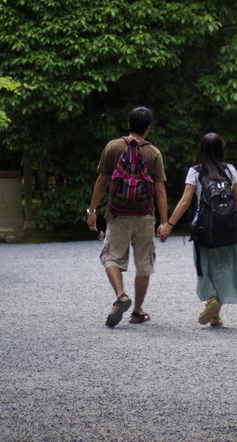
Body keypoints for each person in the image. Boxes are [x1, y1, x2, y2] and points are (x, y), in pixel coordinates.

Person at [158, 132, 237, 327]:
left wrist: (168, 225)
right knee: (227, 267)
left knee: (206, 266)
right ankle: (216, 313)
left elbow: (185, 201)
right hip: (230, 228)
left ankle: (211, 300)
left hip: (204, 227)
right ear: (221, 150)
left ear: (201, 150)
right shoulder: (230, 170)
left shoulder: (195, 171)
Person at [86, 107, 167, 327]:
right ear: (148, 128)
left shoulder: (113, 147)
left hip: (117, 213)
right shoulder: (154, 153)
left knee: (111, 257)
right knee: (144, 264)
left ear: (129, 124)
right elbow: (159, 190)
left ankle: (121, 295)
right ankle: (137, 312)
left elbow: (102, 181)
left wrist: (92, 211)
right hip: (144, 215)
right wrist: (164, 222)